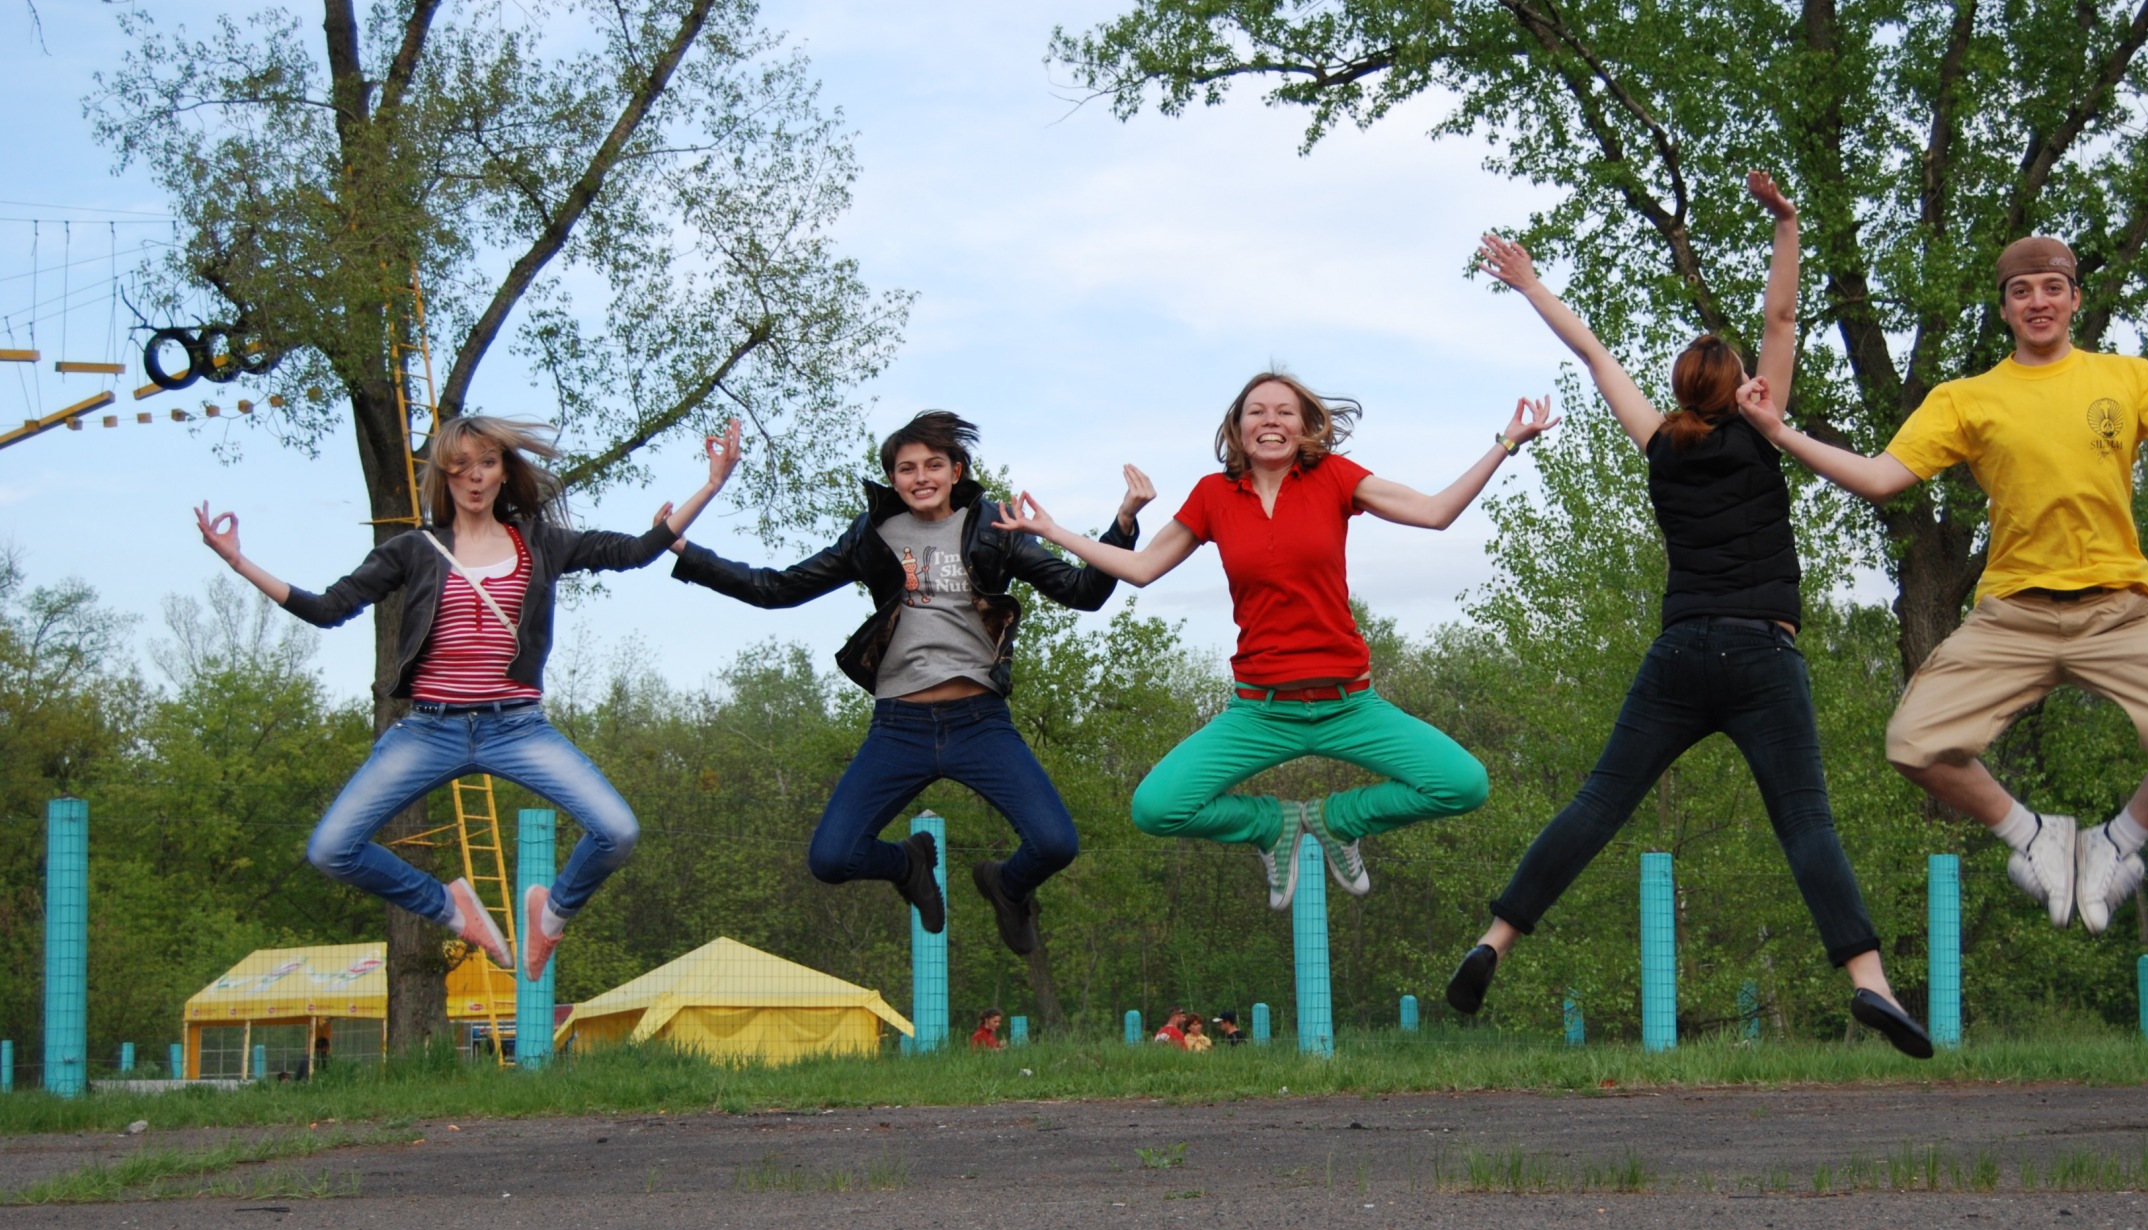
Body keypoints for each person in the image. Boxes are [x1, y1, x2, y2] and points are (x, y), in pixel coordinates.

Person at [1735, 235, 2148, 932]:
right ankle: (2036, 837)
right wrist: (1779, 432)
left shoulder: (2128, 380)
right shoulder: (1966, 399)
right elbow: (1882, 477)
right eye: (2021, 292)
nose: (2037, 302)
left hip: (2118, 611)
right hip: (2014, 614)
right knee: (1914, 742)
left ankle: (2114, 844)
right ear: (2005, 309)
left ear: (2074, 299)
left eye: (2050, 288)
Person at [1443, 173, 1932, 1060]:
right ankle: (1871, 984)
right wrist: (1787, 223)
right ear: (1744, 387)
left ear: (1677, 390)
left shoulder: (1660, 443)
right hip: (1762, 652)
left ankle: (1495, 940)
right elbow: (1781, 318)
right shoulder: (1762, 430)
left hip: (1679, 653)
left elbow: (1594, 356)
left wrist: (1531, 284)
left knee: (1598, 802)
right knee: (1806, 822)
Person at [196, 415, 736, 982]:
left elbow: (636, 551)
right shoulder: (415, 550)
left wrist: (711, 484)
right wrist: (237, 560)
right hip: (429, 731)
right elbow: (327, 608)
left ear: (503, 472)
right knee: (330, 849)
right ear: (444, 477)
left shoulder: (540, 542)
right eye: (460, 466)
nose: (474, 477)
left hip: (517, 728)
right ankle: (449, 906)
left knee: (619, 831)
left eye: (486, 463)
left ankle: (551, 914)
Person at [995, 375, 1551, 907]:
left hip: (1349, 705)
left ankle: (1337, 820)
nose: (1271, 421)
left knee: (1463, 784)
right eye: (1257, 411)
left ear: (1304, 427)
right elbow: (1141, 569)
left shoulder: (1334, 477)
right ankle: (1272, 825)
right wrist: (1052, 531)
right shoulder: (1213, 495)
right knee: (1156, 808)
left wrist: (1506, 444)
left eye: (1285, 412)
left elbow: (1435, 512)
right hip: (1260, 711)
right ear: (1237, 429)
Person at [665, 411, 1150, 953]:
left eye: (933, 465)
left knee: (1056, 843)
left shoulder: (994, 528)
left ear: (955, 471)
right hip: (899, 725)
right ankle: (908, 863)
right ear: (893, 479)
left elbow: (1083, 591)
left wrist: (1124, 522)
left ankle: (1007, 887)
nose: (921, 477)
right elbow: (776, 588)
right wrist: (685, 551)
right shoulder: (871, 536)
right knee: (831, 858)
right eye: (906, 468)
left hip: (979, 722)